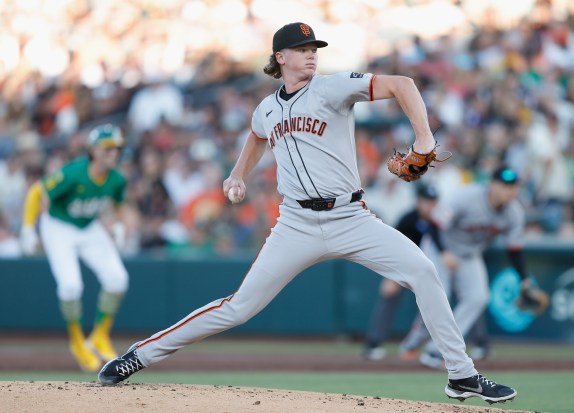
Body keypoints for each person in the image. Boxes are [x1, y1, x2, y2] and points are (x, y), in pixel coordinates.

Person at [99, 22, 517, 404]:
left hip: (351, 217)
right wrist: (237, 173)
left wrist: (424, 139)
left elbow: (404, 84)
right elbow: (257, 137)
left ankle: (461, 375)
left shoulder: (332, 88)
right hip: (295, 224)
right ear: (281, 58)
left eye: (314, 47)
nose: (311, 54)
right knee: (237, 307)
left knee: (424, 272)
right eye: (301, 49)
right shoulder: (266, 108)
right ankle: (140, 355)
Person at [20, 124, 129, 372]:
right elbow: (37, 191)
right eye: (108, 148)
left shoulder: (117, 178)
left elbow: (118, 203)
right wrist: (28, 228)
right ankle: (77, 341)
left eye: (117, 148)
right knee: (70, 286)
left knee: (118, 279)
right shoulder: (75, 173)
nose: (114, 153)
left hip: (89, 226)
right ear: (93, 150)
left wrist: (119, 225)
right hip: (58, 226)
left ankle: (100, 335)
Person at [398, 166, 531, 369]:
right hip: (439, 247)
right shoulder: (466, 197)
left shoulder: (514, 212)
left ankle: (439, 350)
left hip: (469, 254)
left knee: (478, 297)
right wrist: (444, 253)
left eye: (513, 186)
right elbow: (434, 223)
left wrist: (524, 279)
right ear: (492, 185)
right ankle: (413, 342)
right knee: (437, 298)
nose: (509, 190)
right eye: (505, 185)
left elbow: (514, 250)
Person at [361, 184, 439, 360]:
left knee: (470, 296)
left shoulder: (440, 221)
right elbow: (392, 248)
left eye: (433, 202)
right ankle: (373, 343)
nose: (430, 205)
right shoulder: (408, 220)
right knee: (390, 294)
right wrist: (390, 274)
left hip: (433, 269)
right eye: (427, 201)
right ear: (419, 201)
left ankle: (480, 343)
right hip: (406, 268)